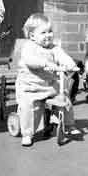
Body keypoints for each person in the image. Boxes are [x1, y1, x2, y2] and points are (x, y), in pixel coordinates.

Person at [15, 13, 80, 147]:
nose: (48, 35)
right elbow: (30, 60)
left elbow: (63, 56)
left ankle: (69, 124)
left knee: (64, 98)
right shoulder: (29, 47)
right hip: (31, 87)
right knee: (29, 107)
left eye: (50, 32)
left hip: (49, 85)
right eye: (43, 32)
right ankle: (27, 133)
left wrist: (71, 64)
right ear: (32, 36)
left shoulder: (53, 48)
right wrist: (45, 63)